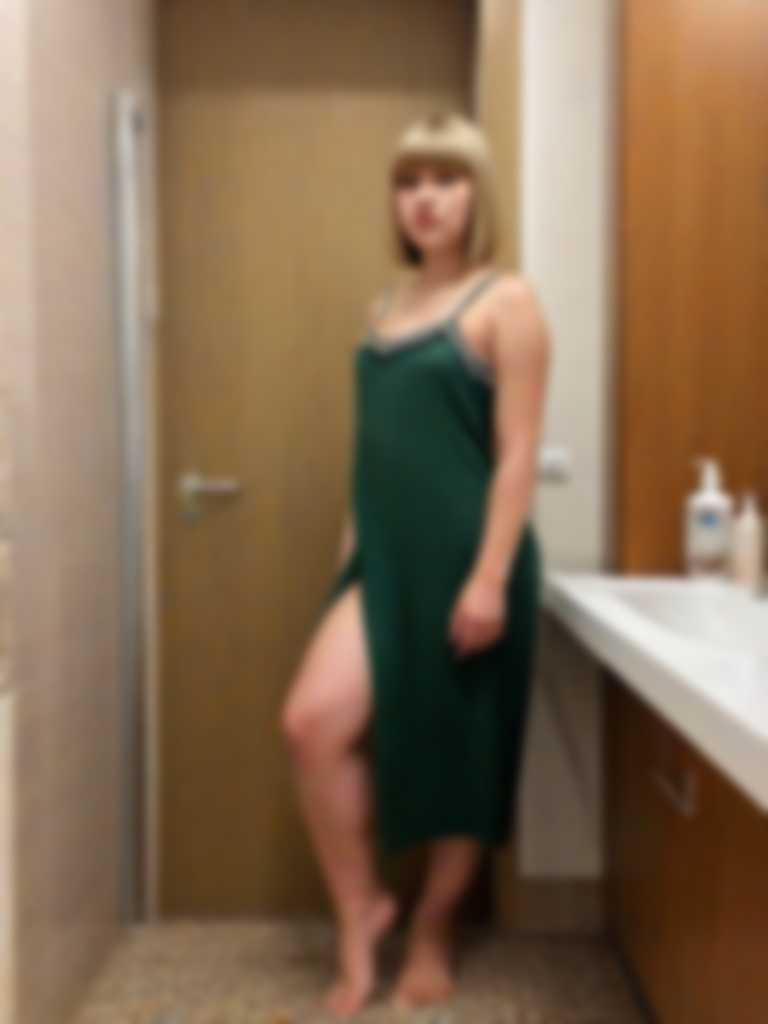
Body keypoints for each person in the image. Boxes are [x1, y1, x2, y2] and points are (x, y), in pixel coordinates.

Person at [280, 110, 552, 1019]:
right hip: (383, 563)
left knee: (460, 751)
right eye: (408, 183)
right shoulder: (384, 311)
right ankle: (362, 910)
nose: (425, 199)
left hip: (473, 561)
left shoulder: (507, 302)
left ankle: (432, 931)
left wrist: (489, 579)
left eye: (445, 179)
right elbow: (377, 452)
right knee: (311, 724)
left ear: (478, 193)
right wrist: (349, 563)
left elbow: (517, 454)